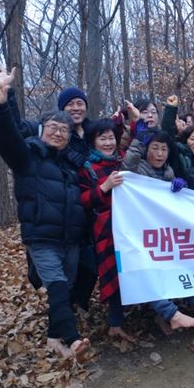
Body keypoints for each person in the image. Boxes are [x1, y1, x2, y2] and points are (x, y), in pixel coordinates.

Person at [0, 76, 90, 359]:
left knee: (64, 287)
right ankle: (73, 340)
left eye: (63, 131)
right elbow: (7, 139)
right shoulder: (27, 157)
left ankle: (54, 337)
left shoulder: (70, 165)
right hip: (41, 237)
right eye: (52, 128)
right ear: (42, 130)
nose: (57, 133)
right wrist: (0, 107)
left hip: (70, 239)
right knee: (56, 284)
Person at [122, 128, 194, 331]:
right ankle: (171, 314)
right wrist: (138, 139)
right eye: (155, 148)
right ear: (146, 150)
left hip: (163, 233)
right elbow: (127, 164)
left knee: (179, 264)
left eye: (164, 149)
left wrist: (178, 190)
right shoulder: (136, 170)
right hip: (138, 235)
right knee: (147, 273)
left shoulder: (169, 172)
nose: (160, 154)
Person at [78, 119, 135, 342]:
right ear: (93, 142)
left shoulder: (123, 161)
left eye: (111, 137)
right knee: (113, 272)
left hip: (131, 226)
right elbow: (81, 200)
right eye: (103, 138)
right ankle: (115, 322)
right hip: (106, 229)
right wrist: (104, 187)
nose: (108, 142)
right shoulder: (87, 168)